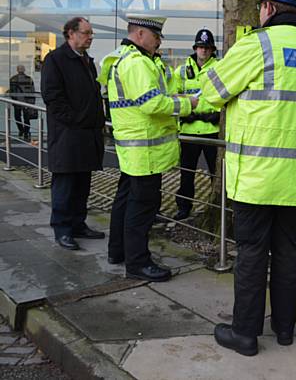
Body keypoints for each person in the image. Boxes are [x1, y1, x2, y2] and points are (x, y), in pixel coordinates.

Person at [201, 0, 296, 356]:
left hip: (257, 175)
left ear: (269, 9)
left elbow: (212, 91)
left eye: (260, 7)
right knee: (288, 253)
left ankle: (245, 333)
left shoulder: (257, 44)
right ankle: (285, 329)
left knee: (252, 253)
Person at [98, 14, 197, 281]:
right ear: (140, 34)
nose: (158, 42)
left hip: (134, 148)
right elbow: (153, 104)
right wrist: (190, 104)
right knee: (142, 207)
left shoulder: (122, 58)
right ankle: (138, 263)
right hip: (145, 150)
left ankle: (118, 251)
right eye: (156, 37)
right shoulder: (137, 63)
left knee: (125, 201)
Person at [41, 17, 105, 251]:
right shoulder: (56, 60)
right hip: (68, 136)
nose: (90, 37)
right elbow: (52, 97)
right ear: (71, 33)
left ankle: (78, 224)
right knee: (65, 184)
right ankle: (62, 229)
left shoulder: (87, 61)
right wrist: (76, 120)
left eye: (91, 33)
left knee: (82, 184)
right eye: (86, 33)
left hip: (86, 135)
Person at [173, 29, 220, 221]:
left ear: (212, 50)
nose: (204, 51)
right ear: (195, 48)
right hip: (189, 130)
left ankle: (216, 206)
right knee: (187, 173)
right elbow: (173, 95)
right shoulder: (182, 70)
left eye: (207, 48)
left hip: (212, 129)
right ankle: (184, 207)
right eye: (200, 47)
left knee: (215, 174)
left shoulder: (220, 67)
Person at [9, 65, 36, 141]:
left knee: (17, 117)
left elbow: (12, 92)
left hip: (17, 102)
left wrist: (13, 100)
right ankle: (26, 132)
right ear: (24, 70)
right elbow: (32, 91)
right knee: (26, 118)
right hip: (27, 102)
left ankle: (21, 130)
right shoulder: (29, 79)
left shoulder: (13, 79)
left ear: (17, 70)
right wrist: (32, 103)